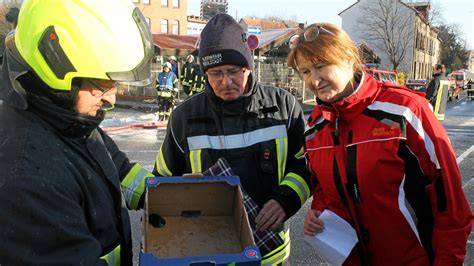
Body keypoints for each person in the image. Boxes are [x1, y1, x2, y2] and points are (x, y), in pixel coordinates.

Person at [288, 23, 472, 265]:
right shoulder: (315, 127)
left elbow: (451, 205)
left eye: (321, 66)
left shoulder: (405, 111)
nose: (314, 80)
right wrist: (319, 210)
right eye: (305, 72)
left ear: (348, 58)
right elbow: (324, 186)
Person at [0, 0, 155, 264]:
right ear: (56, 69)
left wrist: (162, 192)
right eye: (102, 85)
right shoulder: (26, 179)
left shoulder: (67, 119)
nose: (112, 99)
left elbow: (114, 166)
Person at [153, 13, 311, 265]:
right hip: (209, 253)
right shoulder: (184, 117)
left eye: (233, 71)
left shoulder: (284, 107)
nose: (225, 82)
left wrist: (286, 199)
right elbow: (163, 182)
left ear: (248, 66)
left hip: (271, 255)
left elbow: (305, 165)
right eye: (215, 73)